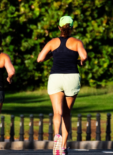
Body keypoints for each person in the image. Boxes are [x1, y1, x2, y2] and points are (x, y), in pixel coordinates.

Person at [37, 16, 87, 155]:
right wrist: (81, 62)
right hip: (72, 77)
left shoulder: (52, 42)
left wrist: (52, 55)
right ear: (72, 28)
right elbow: (84, 56)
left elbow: (40, 58)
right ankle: (63, 146)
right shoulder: (77, 42)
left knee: (57, 112)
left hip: (56, 77)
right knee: (66, 113)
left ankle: (56, 137)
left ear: (59, 27)